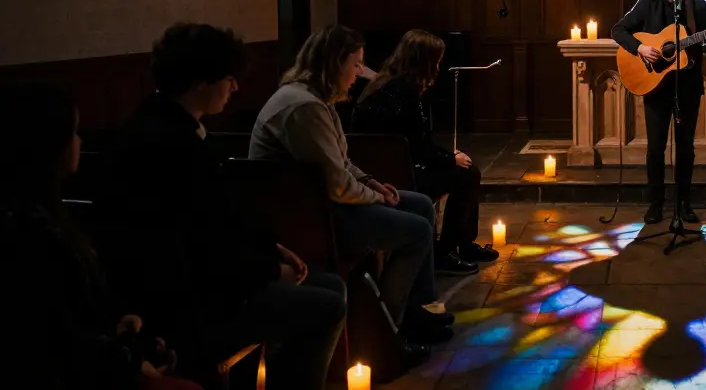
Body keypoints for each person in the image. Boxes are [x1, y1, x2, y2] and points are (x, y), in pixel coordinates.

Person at [107, 24, 347, 389]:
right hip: (192, 303)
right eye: (229, 77)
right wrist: (268, 269)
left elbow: (222, 220)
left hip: (212, 276)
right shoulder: (171, 147)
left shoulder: (163, 124)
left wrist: (273, 249)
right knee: (327, 306)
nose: (235, 87)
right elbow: (198, 248)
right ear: (200, 80)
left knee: (330, 284)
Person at [250, 25, 453, 345]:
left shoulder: (318, 98)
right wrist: (373, 196)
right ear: (335, 62)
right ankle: (387, 327)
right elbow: (336, 185)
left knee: (420, 204)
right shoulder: (304, 107)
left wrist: (371, 182)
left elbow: (341, 161)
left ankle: (421, 307)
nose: (360, 73)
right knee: (417, 231)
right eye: (356, 64)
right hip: (314, 218)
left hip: (323, 201)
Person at [0, 82, 201, 390]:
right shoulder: (33, 231)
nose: (79, 141)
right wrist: (131, 361)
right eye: (75, 132)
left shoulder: (40, 216)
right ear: (50, 145)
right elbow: (56, 338)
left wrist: (125, 333)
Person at [353, 29, 495, 272]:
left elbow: (413, 142)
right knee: (467, 174)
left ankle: (461, 243)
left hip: (387, 165)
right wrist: (450, 158)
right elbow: (415, 146)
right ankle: (447, 251)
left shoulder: (386, 82)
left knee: (464, 170)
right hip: (398, 173)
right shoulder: (402, 92)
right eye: (437, 62)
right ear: (424, 62)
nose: (439, 68)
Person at [612, 0, 706, 225]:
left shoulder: (698, 5)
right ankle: (655, 204)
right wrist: (639, 47)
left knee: (686, 149)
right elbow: (618, 30)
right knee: (655, 148)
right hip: (655, 87)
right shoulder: (648, 2)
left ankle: (684, 204)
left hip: (687, 88)